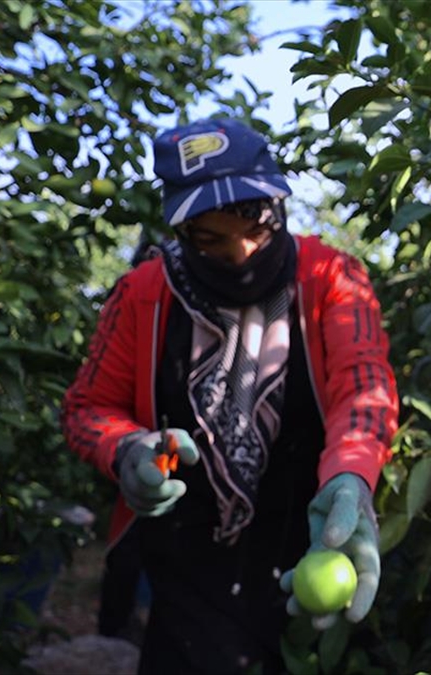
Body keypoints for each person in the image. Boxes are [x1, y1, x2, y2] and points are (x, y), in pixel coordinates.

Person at [61, 117, 399, 674]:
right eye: (212, 240)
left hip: (308, 538)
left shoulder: (333, 278)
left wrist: (350, 478)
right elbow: (85, 410)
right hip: (188, 562)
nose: (242, 254)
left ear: (276, 204)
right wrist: (128, 451)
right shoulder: (143, 294)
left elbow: (363, 388)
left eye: (255, 227)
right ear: (182, 232)